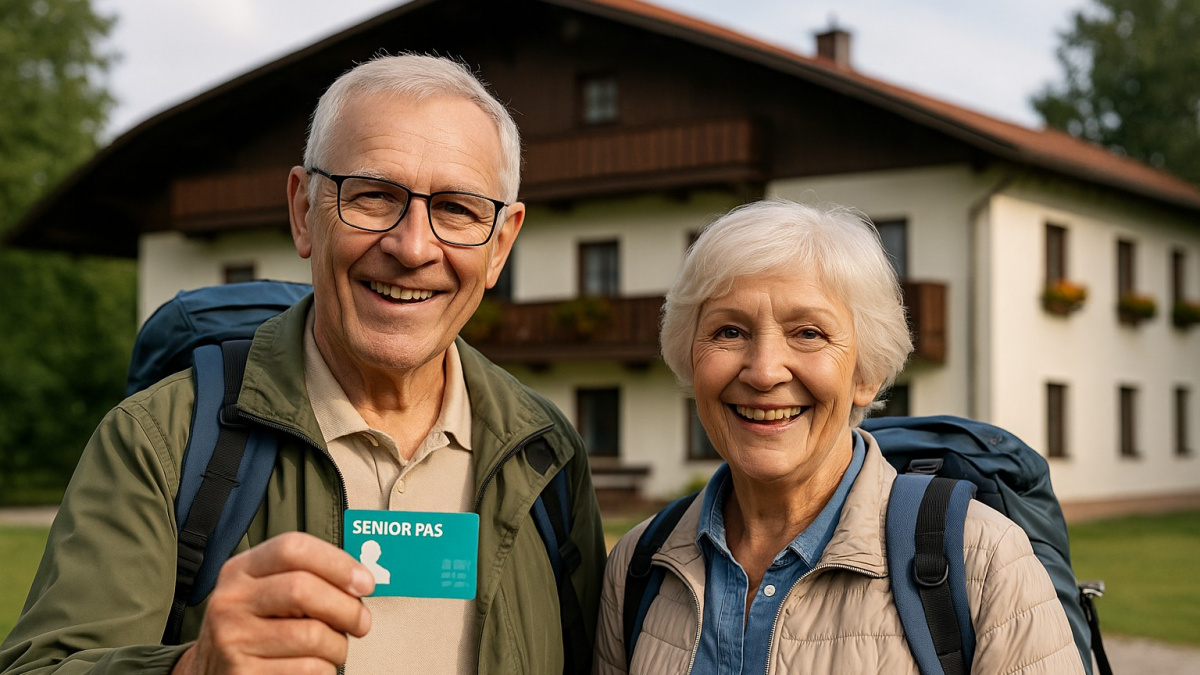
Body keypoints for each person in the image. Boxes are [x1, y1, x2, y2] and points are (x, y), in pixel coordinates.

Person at [0, 54, 605, 675]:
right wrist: (191, 670)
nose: (413, 247)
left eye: (457, 209)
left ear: (501, 242)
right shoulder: (164, 438)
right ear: (303, 211)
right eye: (373, 196)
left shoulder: (547, 453)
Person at [593, 200, 1084, 674]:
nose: (764, 372)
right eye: (729, 332)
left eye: (808, 333)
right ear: (689, 358)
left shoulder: (984, 559)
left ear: (865, 374)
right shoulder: (639, 566)